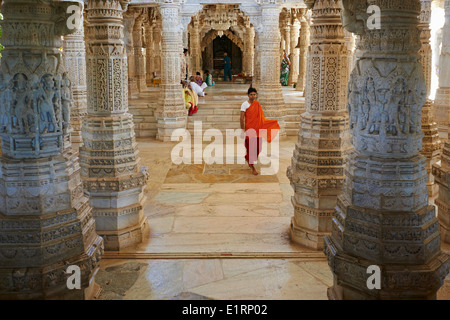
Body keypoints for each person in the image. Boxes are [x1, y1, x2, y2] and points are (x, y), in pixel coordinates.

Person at [240, 87, 280, 175]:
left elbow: (261, 118)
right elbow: (241, 118)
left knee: (258, 148)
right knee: (251, 148)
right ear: (248, 95)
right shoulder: (244, 104)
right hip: (249, 129)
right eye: (251, 94)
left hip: (257, 129)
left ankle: (248, 158)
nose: (253, 96)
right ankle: (252, 166)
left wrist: (268, 123)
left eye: (254, 94)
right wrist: (242, 130)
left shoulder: (257, 104)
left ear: (256, 95)